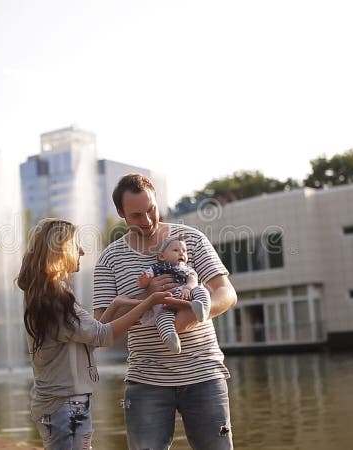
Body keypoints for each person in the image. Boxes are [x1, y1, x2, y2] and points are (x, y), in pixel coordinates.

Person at [93, 174, 238, 450]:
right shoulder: (109, 259)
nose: (147, 220)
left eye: (151, 209)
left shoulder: (191, 239)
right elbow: (103, 329)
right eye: (136, 215)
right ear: (121, 213)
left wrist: (192, 315)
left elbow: (226, 293)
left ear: (157, 200)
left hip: (204, 374)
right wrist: (146, 299)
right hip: (146, 380)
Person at [17, 218, 179, 450]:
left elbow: (88, 340)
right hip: (66, 405)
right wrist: (150, 301)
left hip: (64, 404)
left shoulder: (47, 293)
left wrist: (114, 306)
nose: (81, 251)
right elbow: (102, 336)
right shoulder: (53, 299)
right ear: (60, 250)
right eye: (76, 245)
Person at [137, 235, 210, 353]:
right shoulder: (157, 268)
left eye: (184, 251)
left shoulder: (185, 268)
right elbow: (144, 283)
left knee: (201, 290)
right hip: (167, 303)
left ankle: (202, 309)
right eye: (176, 250)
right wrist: (144, 280)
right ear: (161, 256)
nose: (181, 253)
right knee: (162, 318)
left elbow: (193, 280)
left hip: (187, 296)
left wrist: (188, 288)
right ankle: (170, 339)